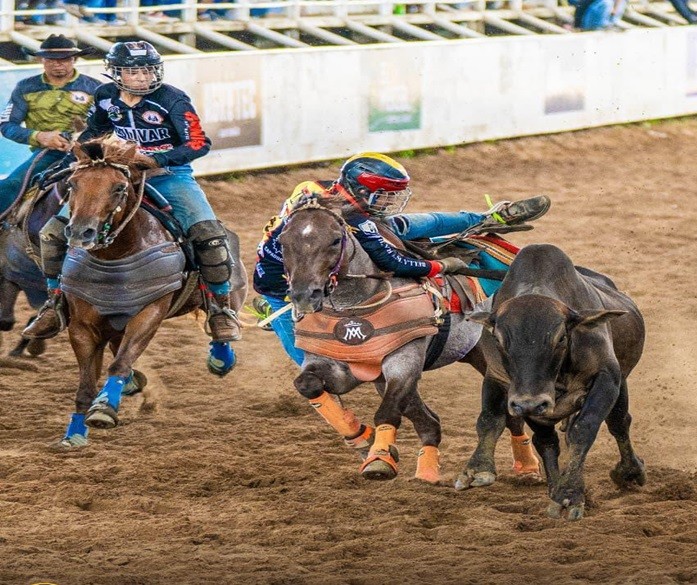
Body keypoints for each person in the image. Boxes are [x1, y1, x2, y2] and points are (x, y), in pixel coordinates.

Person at [23, 41, 241, 344]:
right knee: (52, 233)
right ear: (117, 74)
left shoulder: (174, 100)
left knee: (209, 235)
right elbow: (93, 131)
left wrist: (156, 160)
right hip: (116, 172)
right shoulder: (105, 96)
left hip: (169, 175)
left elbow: (198, 143)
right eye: (133, 71)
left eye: (147, 70)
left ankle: (220, 309)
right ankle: (55, 303)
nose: (142, 77)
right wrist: (80, 153)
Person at [252, 152, 551, 367]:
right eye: (381, 196)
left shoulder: (326, 194)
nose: (387, 203)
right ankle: (274, 306)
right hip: (283, 277)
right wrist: (438, 266)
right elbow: (391, 260)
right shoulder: (347, 215)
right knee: (306, 361)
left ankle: (488, 217)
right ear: (358, 190)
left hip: (330, 241)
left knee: (415, 224)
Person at [0, 35, 99, 220]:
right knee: (10, 186)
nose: (58, 64)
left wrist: (82, 141)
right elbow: (6, 125)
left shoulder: (95, 88)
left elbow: (107, 124)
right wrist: (40, 136)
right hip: (46, 154)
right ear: (41, 60)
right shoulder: (25, 87)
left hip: (91, 154)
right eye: (52, 60)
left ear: (74, 60)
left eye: (65, 60)